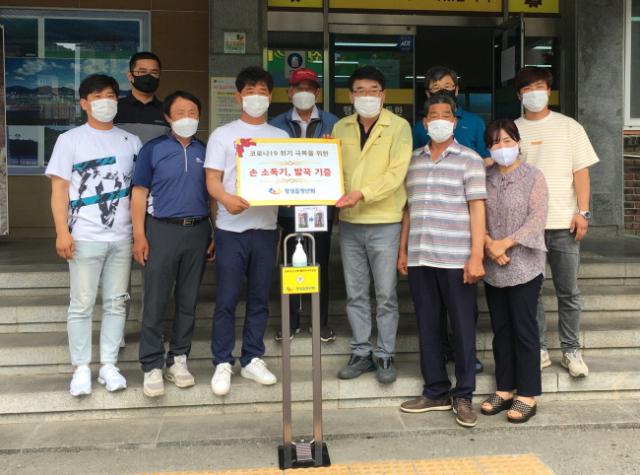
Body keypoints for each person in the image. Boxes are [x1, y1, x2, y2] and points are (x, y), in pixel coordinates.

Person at [45, 74, 142, 396]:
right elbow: (59, 190)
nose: (106, 102)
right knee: (82, 304)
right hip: (84, 235)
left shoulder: (131, 141)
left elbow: (139, 191)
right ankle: (82, 367)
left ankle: (109, 365)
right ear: (84, 103)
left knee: (116, 302)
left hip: (122, 236)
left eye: (111, 96)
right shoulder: (70, 140)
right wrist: (62, 231)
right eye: (98, 96)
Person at [398, 93, 486, 428]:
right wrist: (403, 250)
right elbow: (408, 210)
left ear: (454, 121)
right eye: (432, 115)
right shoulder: (413, 161)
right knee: (428, 326)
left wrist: (476, 255)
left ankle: (463, 394)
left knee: (462, 328)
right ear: (424, 122)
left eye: (445, 115)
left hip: (456, 259)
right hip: (421, 258)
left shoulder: (470, 159)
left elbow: (477, 209)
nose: (438, 120)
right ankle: (435, 390)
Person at [205, 66, 289, 396]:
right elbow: (212, 180)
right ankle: (222, 361)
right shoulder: (222, 134)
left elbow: (290, 178)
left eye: (262, 92)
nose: (256, 97)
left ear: (271, 96)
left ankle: (252, 357)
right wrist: (226, 199)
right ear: (238, 96)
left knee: (259, 298)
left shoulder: (280, 137)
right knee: (226, 299)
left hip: (266, 229)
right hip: (230, 230)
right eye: (250, 91)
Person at [514, 66, 599, 378]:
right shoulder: (513, 129)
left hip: (564, 222)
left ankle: (571, 350)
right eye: (527, 88)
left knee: (568, 291)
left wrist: (583, 212)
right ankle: (538, 349)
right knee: (531, 292)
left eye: (539, 86)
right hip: (528, 226)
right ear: (519, 95)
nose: (534, 93)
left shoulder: (569, 127)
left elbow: (581, 172)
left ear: (549, 91)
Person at [332, 66, 413, 384]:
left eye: (373, 90)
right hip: (350, 222)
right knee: (355, 293)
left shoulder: (399, 127)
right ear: (351, 95)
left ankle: (385, 353)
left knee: (386, 294)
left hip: (385, 221)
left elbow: (396, 174)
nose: (367, 96)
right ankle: (361, 351)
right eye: (360, 91)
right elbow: (333, 169)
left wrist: (361, 194)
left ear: (384, 95)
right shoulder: (340, 127)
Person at [131, 91, 214, 398]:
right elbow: (139, 194)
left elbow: (213, 195)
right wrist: (139, 235)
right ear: (167, 117)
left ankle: (178, 358)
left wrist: (215, 233)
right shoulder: (152, 149)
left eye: (192, 112)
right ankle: (151, 364)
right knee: (155, 299)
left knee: (188, 300)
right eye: (180, 112)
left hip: (198, 230)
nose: (187, 118)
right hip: (161, 230)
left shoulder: (206, 150)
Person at [413, 66, 489, 373]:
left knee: (462, 312)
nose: (440, 121)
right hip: (425, 243)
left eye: (448, 86)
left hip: (459, 235)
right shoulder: (417, 142)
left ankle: (465, 362)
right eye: (436, 88)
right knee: (430, 315)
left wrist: (477, 252)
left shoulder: (474, 125)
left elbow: (485, 163)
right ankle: (439, 366)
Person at [480, 118, 548, 424]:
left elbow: (537, 218)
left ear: (518, 142)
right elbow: (474, 213)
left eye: (507, 140)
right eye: (495, 142)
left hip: (524, 264)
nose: (502, 147)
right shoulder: (485, 176)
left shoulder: (533, 176)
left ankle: (528, 393)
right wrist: (488, 244)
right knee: (501, 329)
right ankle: (504, 388)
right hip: (493, 264)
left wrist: (504, 244)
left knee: (524, 328)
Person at [270, 68, 339, 342]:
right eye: (299, 88)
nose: (304, 93)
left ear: (318, 93)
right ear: (289, 92)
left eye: (309, 88)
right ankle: (291, 321)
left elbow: (341, 165)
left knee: (320, 263)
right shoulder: (275, 125)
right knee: (291, 262)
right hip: (288, 208)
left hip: (320, 208)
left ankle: (320, 322)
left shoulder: (334, 124)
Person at [412, 65, 489, 158]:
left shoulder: (475, 122)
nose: (442, 91)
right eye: (436, 87)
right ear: (428, 93)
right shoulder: (419, 127)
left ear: (456, 90)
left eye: (447, 86)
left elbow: (486, 159)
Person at [115, 51, 169, 144]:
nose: (148, 76)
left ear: (159, 77)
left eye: (154, 72)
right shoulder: (114, 108)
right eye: (142, 71)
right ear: (130, 76)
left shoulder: (168, 111)